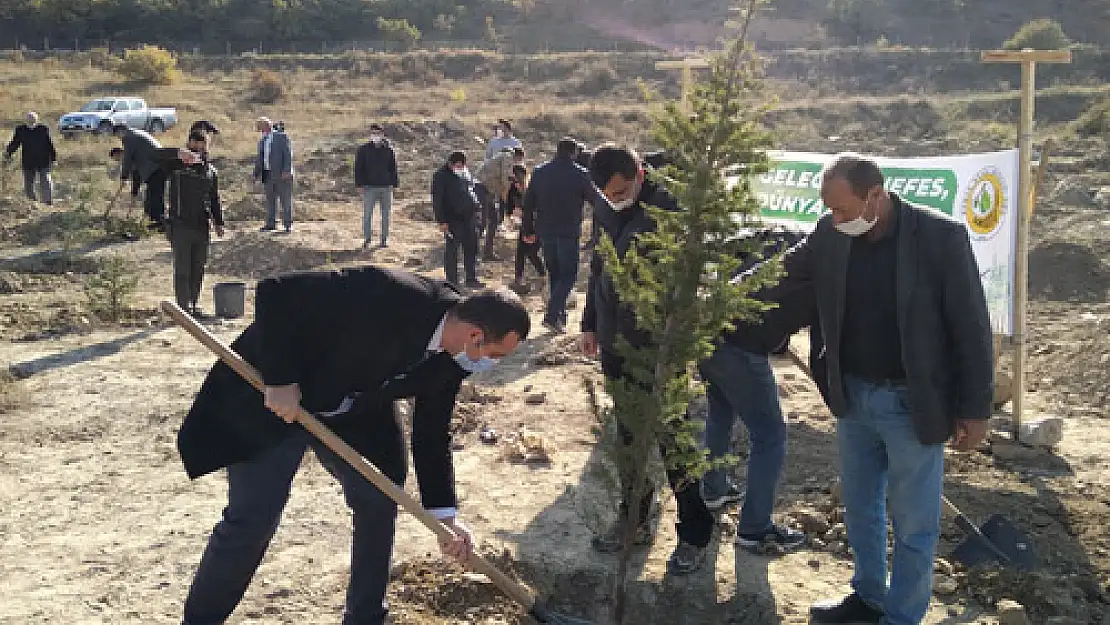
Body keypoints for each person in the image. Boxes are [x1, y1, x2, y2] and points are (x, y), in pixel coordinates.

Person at [176, 269, 529, 625]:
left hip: (354, 410)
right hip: (275, 402)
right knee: (253, 518)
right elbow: (276, 292)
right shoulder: (391, 292)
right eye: (495, 354)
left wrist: (444, 516)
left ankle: (365, 617)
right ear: (475, 335)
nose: (491, 364)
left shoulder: (452, 359)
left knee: (380, 499)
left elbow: (431, 433)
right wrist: (281, 379)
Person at [751, 154, 993, 625]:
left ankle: (901, 617)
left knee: (914, 524)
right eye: (830, 210)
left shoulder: (939, 238)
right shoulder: (830, 235)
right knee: (861, 509)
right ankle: (867, 597)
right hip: (853, 396)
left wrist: (975, 408)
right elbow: (780, 273)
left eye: (844, 210)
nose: (836, 219)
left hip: (912, 402)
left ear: (876, 196)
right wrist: (722, 295)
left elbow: (970, 327)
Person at [580, 144, 715, 575]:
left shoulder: (672, 209)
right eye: (608, 195)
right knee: (628, 438)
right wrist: (588, 321)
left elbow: (689, 281)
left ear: (639, 172)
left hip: (658, 347)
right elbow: (600, 264)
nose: (615, 199)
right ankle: (634, 520)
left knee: (671, 438)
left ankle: (695, 530)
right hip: (615, 339)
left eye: (621, 191)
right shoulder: (608, 206)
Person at [698, 226, 810, 554]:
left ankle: (714, 488)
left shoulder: (780, 235)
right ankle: (755, 529)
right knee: (770, 433)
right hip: (740, 345)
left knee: (720, 412)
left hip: (708, 332)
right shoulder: (823, 261)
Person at [523, 137, 606, 333]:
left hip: (546, 231)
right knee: (569, 275)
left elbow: (528, 205)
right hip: (568, 231)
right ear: (574, 152)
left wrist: (528, 230)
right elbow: (597, 202)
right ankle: (552, 316)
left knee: (555, 274)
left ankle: (559, 318)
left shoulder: (540, 172)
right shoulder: (580, 174)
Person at [160, 131, 225, 317]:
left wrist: (218, 222)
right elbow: (155, 155)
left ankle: (194, 306)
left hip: (201, 226)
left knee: (198, 267)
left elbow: (214, 198)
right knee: (183, 268)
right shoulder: (176, 166)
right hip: (179, 225)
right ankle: (183, 309)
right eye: (195, 144)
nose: (199, 148)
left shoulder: (210, 171)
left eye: (203, 144)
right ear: (188, 143)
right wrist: (178, 154)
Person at [432, 151, 484, 289]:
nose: (461, 168)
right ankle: (452, 282)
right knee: (452, 251)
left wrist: (477, 208)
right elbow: (437, 200)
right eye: (459, 165)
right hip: (452, 219)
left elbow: (470, 190)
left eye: (463, 165)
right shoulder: (440, 176)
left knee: (471, 249)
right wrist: (441, 221)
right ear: (450, 164)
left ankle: (471, 278)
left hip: (469, 218)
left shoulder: (465, 173)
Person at [112, 123, 166, 230]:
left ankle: (160, 223)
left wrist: (124, 176)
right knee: (151, 195)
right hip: (157, 166)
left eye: (117, 135)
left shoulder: (129, 137)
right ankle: (152, 221)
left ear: (121, 131)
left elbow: (127, 159)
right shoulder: (136, 135)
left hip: (157, 166)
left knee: (155, 196)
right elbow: (136, 172)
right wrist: (134, 191)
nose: (119, 138)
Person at [475, 146, 526, 260]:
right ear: (518, 156)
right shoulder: (508, 156)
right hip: (482, 189)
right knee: (482, 222)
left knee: (493, 220)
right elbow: (505, 179)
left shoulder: (501, 157)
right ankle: (472, 252)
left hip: (488, 191)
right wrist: (506, 198)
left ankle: (487, 253)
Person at [354, 123, 399, 248]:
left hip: (386, 187)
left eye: (378, 133)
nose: (375, 136)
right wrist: (359, 184)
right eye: (373, 133)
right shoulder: (363, 150)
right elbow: (358, 168)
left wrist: (395, 184)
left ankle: (384, 240)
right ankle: (367, 239)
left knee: (385, 215)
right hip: (370, 187)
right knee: (368, 214)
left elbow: (393, 168)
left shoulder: (389, 150)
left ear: (382, 134)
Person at [4, 111, 56, 205]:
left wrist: (53, 158)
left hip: (43, 160)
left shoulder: (43, 129)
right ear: (26, 120)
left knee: (45, 181)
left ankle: (47, 201)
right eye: (29, 118)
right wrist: (8, 153)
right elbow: (15, 143)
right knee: (28, 184)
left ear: (36, 119)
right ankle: (32, 203)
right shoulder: (21, 130)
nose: (31, 120)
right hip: (28, 160)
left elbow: (49, 144)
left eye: (33, 118)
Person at [252, 117, 294, 233]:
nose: (260, 130)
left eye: (260, 127)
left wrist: (287, 170)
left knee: (285, 200)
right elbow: (260, 159)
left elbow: (288, 154)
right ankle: (271, 223)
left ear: (267, 125)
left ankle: (287, 224)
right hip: (267, 174)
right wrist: (255, 174)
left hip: (282, 174)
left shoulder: (281, 137)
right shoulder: (262, 141)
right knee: (270, 200)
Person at [508, 164, 544, 293]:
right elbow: (511, 208)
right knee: (520, 253)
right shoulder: (515, 191)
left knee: (532, 253)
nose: (515, 184)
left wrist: (533, 233)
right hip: (525, 226)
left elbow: (538, 213)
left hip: (536, 227)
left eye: (517, 181)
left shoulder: (533, 191)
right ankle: (518, 279)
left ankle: (544, 276)